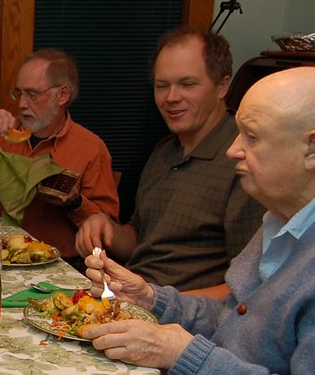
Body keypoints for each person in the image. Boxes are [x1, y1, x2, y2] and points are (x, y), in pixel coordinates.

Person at [81, 67, 315, 375]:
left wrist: (183, 354)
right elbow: (238, 320)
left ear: (313, 149)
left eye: (251, 138)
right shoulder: (285, 219)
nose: (234, 149)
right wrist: (152, 298)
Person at [75, 27, 265, 294]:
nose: (171, 97)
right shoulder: (163, 152)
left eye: (187, 84)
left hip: (183, 320)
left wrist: (154, 301)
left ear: (222, 86)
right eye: (162, 86)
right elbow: (140, 239)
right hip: (133, 297)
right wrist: (106, 228)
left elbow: (250, 287)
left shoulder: (243, 161)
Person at [0, 49, 119, 267]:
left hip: (56, 267)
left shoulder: (90, 148)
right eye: (19, 93)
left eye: (32, 94)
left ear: (62, 95)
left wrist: (75, 203)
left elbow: (108, 231)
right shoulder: (4, 133)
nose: (22, 104)